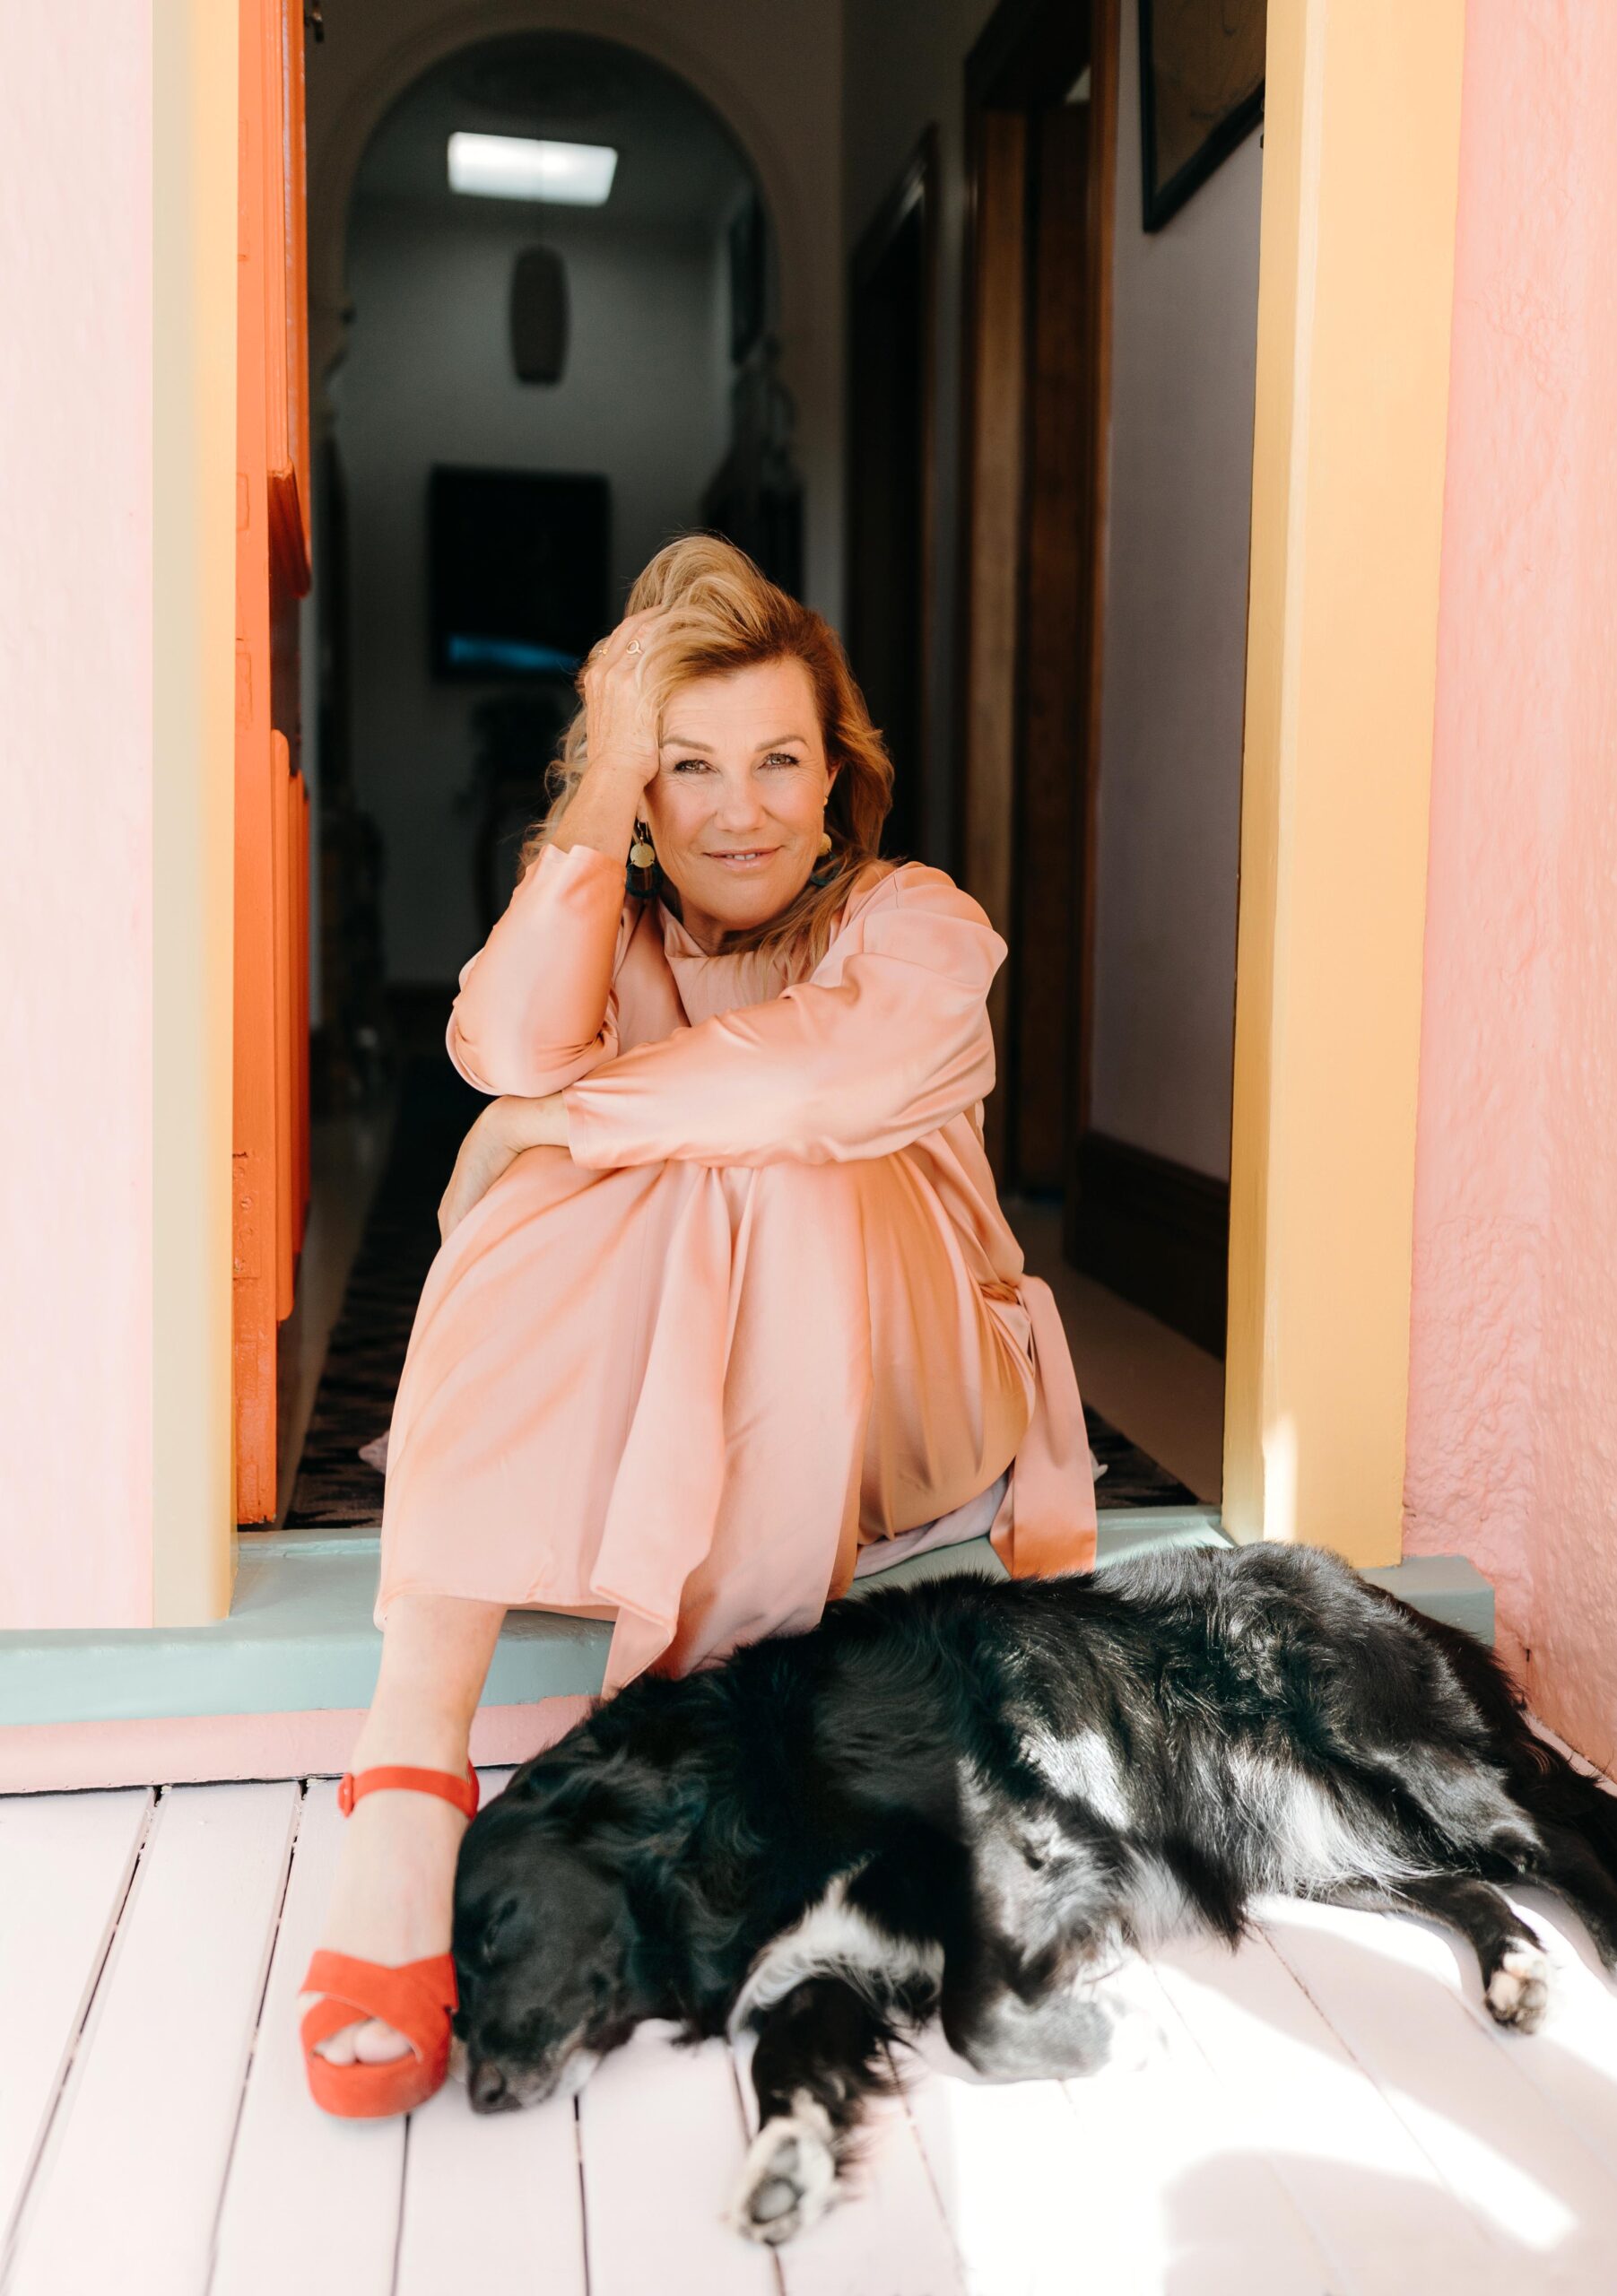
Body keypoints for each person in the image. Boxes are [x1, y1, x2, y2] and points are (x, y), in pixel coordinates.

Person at [298, 535, 1099, 2118]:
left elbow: (815, 1087)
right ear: (645, 802)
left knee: (740, 1166)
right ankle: (408, 1772)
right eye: (690, 769)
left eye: (780, 761)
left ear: (833, 776)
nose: (742, 807)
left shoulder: (916, 923)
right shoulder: (624, 916)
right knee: (548, 1170)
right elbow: (507, 1036)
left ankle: (676, 1740)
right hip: (689, 1374)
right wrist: (594, 790)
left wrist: (552, 1127)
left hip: (911, 1381)